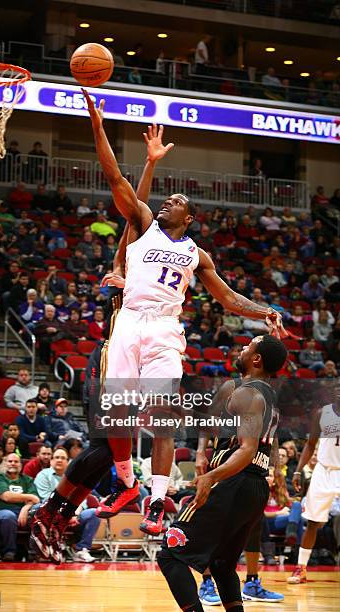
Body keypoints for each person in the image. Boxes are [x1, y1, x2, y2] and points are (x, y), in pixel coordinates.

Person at [78, 94, 284, 537]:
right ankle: (128, 485)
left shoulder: (196, 253)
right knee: (112, 411)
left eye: (177, 201)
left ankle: (156, 500)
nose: (168, 202)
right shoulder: (142, 222)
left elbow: (229, 299)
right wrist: (96, 125)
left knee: (162, 416)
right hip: (130, 320)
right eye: (166, 199)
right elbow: (113, 175)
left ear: (189, 217)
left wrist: (266, 310)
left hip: (166, 329)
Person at [157, 335, 287, 612]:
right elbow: (210, 422)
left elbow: (248, 448)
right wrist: (203, 451)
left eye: (248, 346)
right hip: (255, 487)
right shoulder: (270, 397)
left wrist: (211, 476)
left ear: (256, 359)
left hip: (232, 482)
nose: (242, 348)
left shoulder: (246, 393)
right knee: (222, 564)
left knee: (170, 553)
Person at [288, 381, 340, 584]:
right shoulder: (322, 414)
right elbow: (310, 445)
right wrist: (298, 471)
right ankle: (300, 568)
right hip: (324, 470)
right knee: (313, 522)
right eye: (336, 389)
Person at [33, 447, 101, 563]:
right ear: (51, 461)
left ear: (68, 461)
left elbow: (81, 499)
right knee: (37, 510)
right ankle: (47, 547)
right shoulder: (43, 475)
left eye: (63, 458)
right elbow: (47, 499)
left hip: (73, 512)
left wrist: (73, 513)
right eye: (56, 457)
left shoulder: (76, 476)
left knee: (93, 513)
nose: (59, 460)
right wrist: (66, 513)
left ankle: (82, 550)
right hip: (51, 511)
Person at [0, 453, 39, 562]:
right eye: (10, 461)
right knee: (8, 516)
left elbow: (35, 500)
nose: (13, 464)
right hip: (3, 510)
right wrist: (29, 497)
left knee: (38, 512)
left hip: (23, 511)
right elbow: (6, 497)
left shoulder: (27, 480)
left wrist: (25, 509)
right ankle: (8, 551)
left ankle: (34, 551)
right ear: (5, 464)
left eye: (16, 462)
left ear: (20, 465)